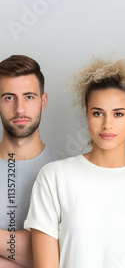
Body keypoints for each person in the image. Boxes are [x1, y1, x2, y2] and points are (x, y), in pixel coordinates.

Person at [24, 55, 125, 268]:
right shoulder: (54, 177)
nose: (107, 124)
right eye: (98, 113)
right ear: (87, 114)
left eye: (118, 114)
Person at [0, 55, 59, 268]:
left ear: (43, 102)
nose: (20, 110)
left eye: (29, 97)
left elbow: (64, 253)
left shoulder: (65, 171)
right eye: (9, 97)